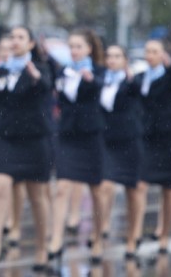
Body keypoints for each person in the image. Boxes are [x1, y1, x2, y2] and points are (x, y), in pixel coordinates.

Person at [0, 26, 54, 271]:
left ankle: (41, 248)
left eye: (20, 38)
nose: (15, 41)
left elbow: (46, 85)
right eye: (12, 38)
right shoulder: (1, 71)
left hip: (34, 140)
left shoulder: (40, 69)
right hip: (5, 140)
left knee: (37, 196)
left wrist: (35, 74)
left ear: (31, 44)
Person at [50, 29, 106, 266]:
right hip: (68, 135)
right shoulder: (64, 71)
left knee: (96, 190)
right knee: (62, 186)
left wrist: (91, 80)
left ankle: (98, 238)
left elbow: (102, 90)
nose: (74, 51)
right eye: (71, 47)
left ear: (89, 49)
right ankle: (56, 239)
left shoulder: (99, 71)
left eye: (79, 47)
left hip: (91, 135)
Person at [134, 40, 171, 256]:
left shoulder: (169, 75)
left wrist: (170, 64)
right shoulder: (141, 77)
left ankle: (164, 234)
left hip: (167, 137)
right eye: (148, 51)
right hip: (147, 137)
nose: (150, 55)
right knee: (140, 185)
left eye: (155, 52)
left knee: (168, 188)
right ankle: (135, 233)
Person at [97, 45, 143, 260]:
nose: (112, 60)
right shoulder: (101, 80)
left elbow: (140, 92)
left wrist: (131, 79)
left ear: (125, 60)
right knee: (104, 187)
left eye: (117, 56)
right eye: (109, 56)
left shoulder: (132, 82)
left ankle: (133, 238)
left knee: (132, 191)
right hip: (106, 141)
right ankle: (98, 236)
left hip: (129, 141)